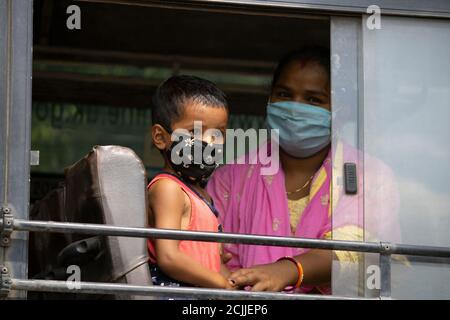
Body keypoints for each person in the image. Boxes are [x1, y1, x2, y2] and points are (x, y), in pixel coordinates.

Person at [207, 47, 401, 294]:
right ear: (269, 98)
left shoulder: (369, 175)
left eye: (313, 99)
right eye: (284, 94)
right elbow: (213, 256)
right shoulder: (231, 178)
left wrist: (288, 271)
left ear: (339, 109)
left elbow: (355, 251)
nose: (294, 108)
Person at [147, 75, 235, 289]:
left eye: (217, 134)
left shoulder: (202, 195)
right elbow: (169, 257)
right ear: (161, 137)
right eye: (194, 132)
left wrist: (233, 281)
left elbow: (213, 265)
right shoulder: (168, 188)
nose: (208, 142)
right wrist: (221, 283)